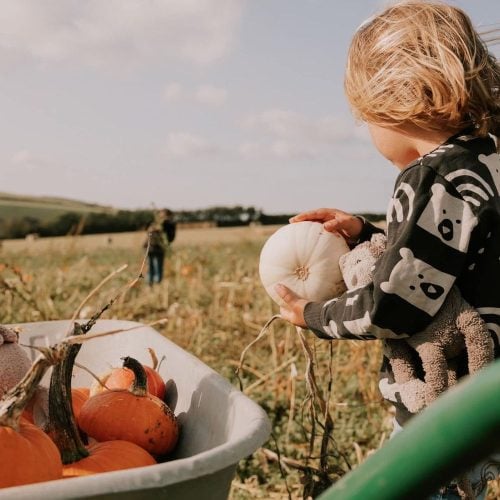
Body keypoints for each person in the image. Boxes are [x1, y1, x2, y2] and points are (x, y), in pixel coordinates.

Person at [274, 2, 500, 498]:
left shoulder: (431, 175)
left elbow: (394, 305)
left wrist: (313, 314)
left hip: (446, 405)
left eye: (366, 119)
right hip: (487, 397)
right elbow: (447, 254)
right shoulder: (486, 158)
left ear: (393, 101)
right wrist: (363, 232)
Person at [144, 209, 176, 285]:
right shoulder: (154, 223)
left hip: (158, 249)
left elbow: (170, 238)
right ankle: (151, 285)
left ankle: (155, 285)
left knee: (156, 268)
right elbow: (147, 229)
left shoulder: (168, 224)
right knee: (151, 268)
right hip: (150, 248)